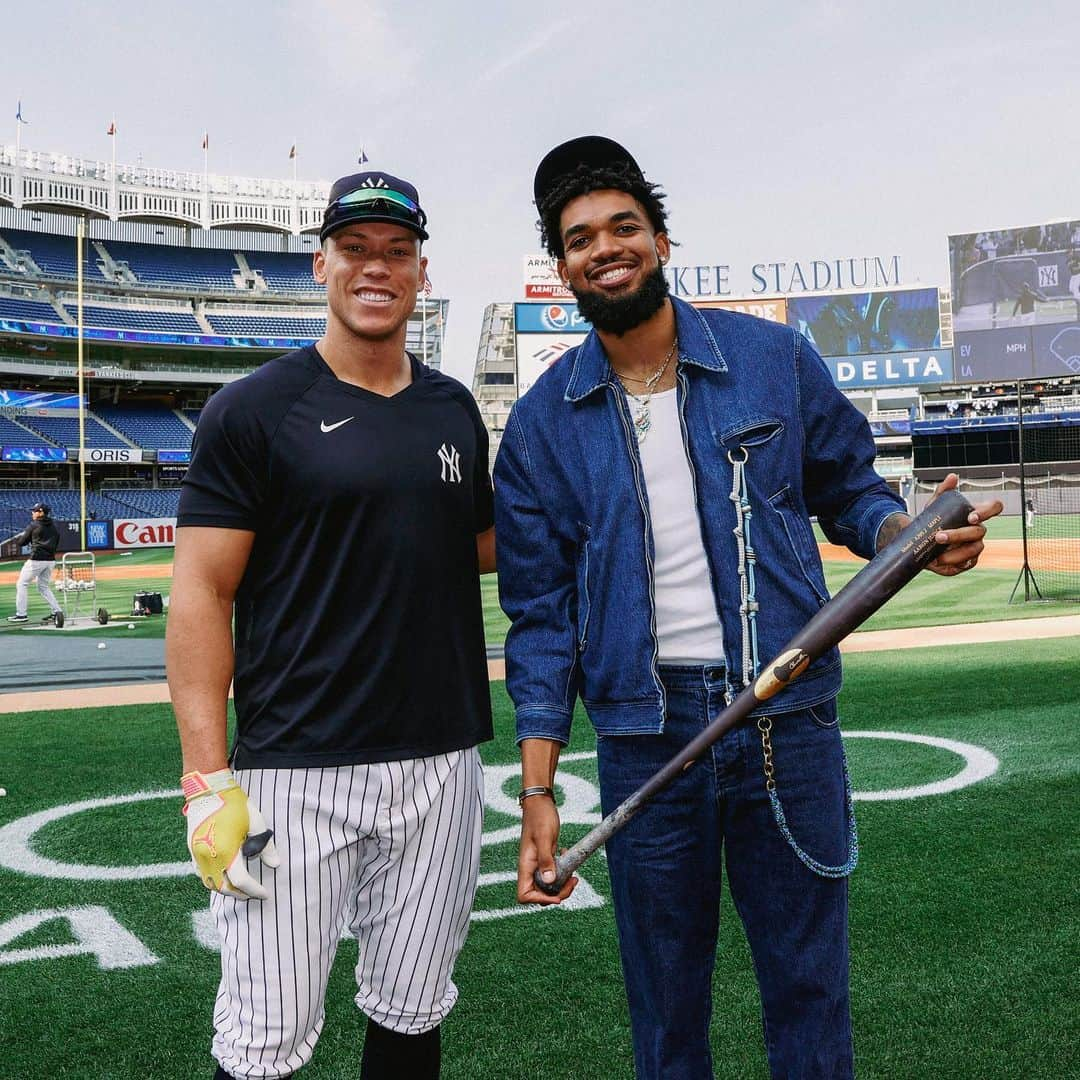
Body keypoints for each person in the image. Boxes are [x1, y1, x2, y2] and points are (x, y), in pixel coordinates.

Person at [494, 135, 1002, 1080]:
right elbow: (539, 619)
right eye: (580, 238)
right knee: (666, 1010)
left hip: (788, 719)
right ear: (561, 267)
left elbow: (851, 487)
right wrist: (536, 790)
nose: (606, 247)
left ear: (661, 239)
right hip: (644, 733)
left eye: (625, 225)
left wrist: (905, 537)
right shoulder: (538, 423)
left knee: (809, 994)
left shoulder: (772, 358)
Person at [167, 170, 495, 1080]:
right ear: (321, 264)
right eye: (356, 249)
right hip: (295, 769)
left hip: (441, 761)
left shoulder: (453, 408)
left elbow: (474, 544)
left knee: (413, 1009)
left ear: (422, 272)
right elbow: (200, 590)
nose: (376, 267)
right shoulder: (254, 409)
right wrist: (206, 779)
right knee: (265, 1039)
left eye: (397, 252)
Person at [7, 501, 63, 625]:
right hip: (50, 560)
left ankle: (21, 614)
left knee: (22, 584)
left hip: (36, 559)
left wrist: (27, 535)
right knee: (43, 587)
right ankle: (57, 612)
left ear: (41, 512)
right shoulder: (54, 525)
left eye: (35, 510)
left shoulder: (34, 525)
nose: (32, 512)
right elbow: (57, 540)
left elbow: (21, 542)